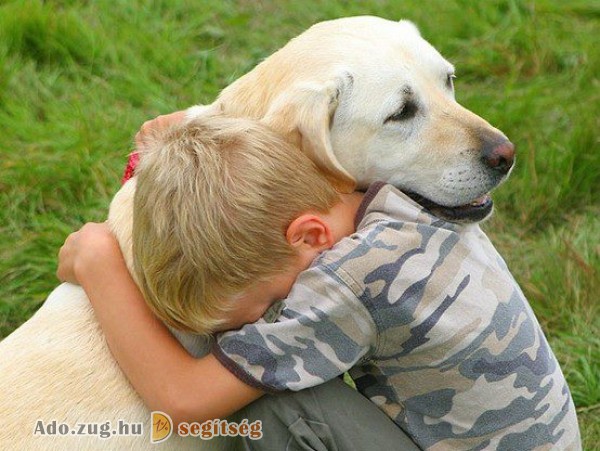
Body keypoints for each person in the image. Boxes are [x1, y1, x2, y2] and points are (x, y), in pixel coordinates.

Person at [58, 115, 581, 450]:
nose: (273, 316)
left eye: (270, 304)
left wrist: (99, 263)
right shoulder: (388, 191)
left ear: (309, 235)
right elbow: (259, 160)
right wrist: (190, 139)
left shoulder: (347, 281)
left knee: (275, 404)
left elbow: (182, 400)